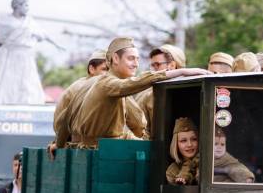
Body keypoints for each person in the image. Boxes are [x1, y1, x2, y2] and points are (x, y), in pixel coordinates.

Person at [75, 37, 208, 148]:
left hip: (110, 148)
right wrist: (182, 71)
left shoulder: (119, 89)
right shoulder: (108, 83)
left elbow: (137, 122)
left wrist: (143, 142)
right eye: (131, 58)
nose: (136, 64)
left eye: (137, 59)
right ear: (115, 59)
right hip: (102, 152)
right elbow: (133, 84)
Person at [49, 49, 108, 154]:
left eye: (110, 70)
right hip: (78, 147)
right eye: (104, 69)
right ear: (92, 69)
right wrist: (61, 143)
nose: (107, 74)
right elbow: (60, 124)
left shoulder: (109, 88)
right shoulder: (78, 88)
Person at [136, 44, 187, 140]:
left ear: (172, 65)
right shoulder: (146, 95)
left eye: (157, 65)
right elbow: (141, 132)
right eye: (152, 65)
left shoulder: (193, 89)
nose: (153, 69)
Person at [166, 118, 199, 185]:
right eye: (183, 141)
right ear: (176, 144)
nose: (189, 144)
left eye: (194, 139)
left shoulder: (208, 164)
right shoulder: (172, 171)